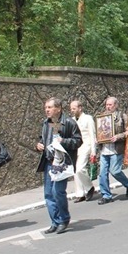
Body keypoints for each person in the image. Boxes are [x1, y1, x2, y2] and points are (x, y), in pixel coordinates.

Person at [35, 97, 82, 234]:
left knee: (57, 192)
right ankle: (54, 222)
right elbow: (42, 139)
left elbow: (78, 141)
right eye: (46, 108)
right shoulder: (46, 123)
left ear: (58, 108)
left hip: (62, 163)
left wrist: (64, 141)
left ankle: (63, 219)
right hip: (49, 162)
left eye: (49, 107)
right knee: (48, 193)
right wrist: (39, 146)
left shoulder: (69, 122)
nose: (47, 110)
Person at [96, 96, 128, 205]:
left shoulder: (122, 117)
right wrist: (98, 138)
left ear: (116, 105)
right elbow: (99, 131)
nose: (108, 107)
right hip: (104, 149)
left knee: (115, 171)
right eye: (107, 105)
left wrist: (118, 136)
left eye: (110, 105)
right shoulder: (102, 117)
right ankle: (106, 195)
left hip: (116, 149)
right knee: (102, 173)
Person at [70, 100, 97, 203]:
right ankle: (80, 193)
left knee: (80, 169)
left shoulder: (88, 118)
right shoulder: (72, 120)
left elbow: (92, 134)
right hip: (76, 148)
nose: (72, 111)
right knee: (75, 170)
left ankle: (89, 187)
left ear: (80, 108)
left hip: (86, 146)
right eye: (71, 109)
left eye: (74, 108)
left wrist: (93, 151)